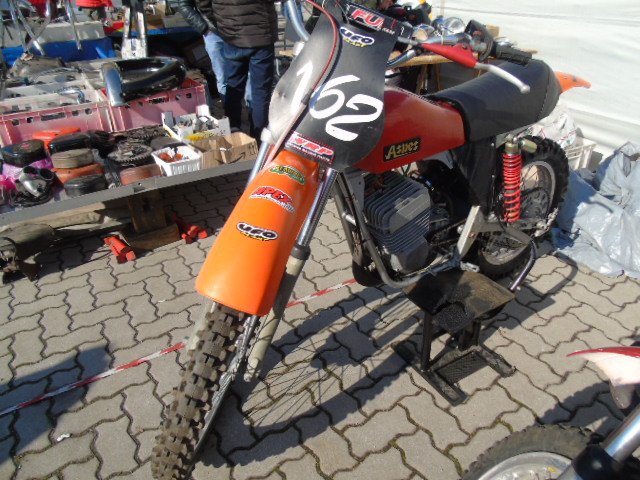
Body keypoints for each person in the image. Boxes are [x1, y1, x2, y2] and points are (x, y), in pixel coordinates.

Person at [207, 0, 278, 139]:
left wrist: (222, 22)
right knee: (259, 93)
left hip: (234, 33)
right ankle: (258, 139)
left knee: (234, 88)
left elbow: (204, 5)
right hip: (259, 34)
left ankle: (234, 134)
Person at [175, 0, 226, 100]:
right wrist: (203, 28)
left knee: (248, 75)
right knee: (223, 77)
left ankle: (250, 109)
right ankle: (231, 108)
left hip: (239, 31)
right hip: (214, 32)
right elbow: (184, 5)